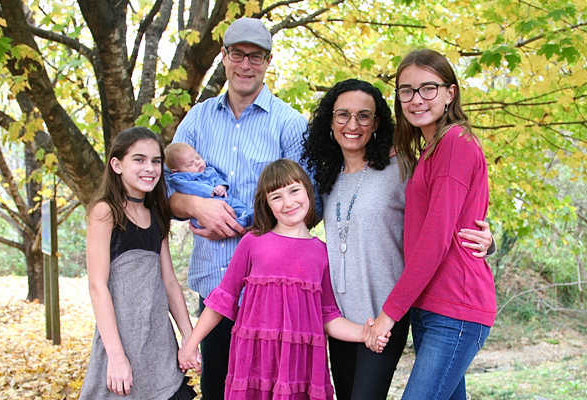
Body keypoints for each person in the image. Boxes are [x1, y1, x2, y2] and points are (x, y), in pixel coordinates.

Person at [301, 79, 494, 400]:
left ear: (377, 123)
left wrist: (488, 239)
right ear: (329, 121)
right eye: (342, 115)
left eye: (364, 116)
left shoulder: (400, 168)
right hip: (340, 320)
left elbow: (444, 217)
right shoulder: (325, 176)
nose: (353, 124)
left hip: (385, 315)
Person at [168, 17, 309, 400]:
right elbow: (164, 192)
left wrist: (246, 227)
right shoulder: (197, 119)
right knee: (218, 390)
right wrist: (197, 204)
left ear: (268, 61)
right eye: (238, 55)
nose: (246, 65)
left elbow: (310, 205)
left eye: (256, 56)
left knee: (268, 391)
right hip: (215, 287)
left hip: (272, 291)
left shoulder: (291, 124)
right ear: (224, 57)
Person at [178, 159, 387, 400]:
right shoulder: (253, 242)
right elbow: (222, 300)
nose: (288, 202)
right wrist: (191, 343)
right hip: (255, 362)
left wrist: (364, 333)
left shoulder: (321, 252)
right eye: (276, 197)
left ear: (308, 192)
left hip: (300, 367)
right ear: (266, 204)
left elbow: (328, 314)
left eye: (294, 191)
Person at [367, 49, 495, 400]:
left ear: (450, 93)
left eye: (428, 88)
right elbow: (461, 217)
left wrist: (388, 316)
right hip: (431, 307)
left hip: (455, 307)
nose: (416, 99)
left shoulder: (456, 143)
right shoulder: (430, 149)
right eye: (406, 90)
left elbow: (435, 240)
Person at [80, 127, 196, 400]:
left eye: (156, 161)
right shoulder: (105, 212)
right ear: (117, 164)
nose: (150, 168)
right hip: (121, 342)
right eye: (139, 159)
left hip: (159, 344)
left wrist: (188, 340)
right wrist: (116, 356)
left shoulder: (156, 214)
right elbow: (97, 286)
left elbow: (169, 282)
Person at [164, 142, 254, 229]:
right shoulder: (179, 179)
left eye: (198, 158)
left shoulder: (209, 170)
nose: (197, 163)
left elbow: (218, 177)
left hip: (224, 198)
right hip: (206, 208)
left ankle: (248, 216)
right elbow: (191, 187)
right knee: (203, 221)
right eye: (190, 164)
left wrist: (221, 186)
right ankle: (236, 224)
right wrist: (208, 190)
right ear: (176, 171)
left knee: (237, 204)